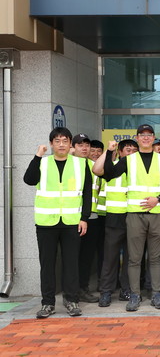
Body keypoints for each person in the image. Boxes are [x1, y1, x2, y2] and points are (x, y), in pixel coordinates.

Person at [101, 124, 160, 312]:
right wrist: (110, 152)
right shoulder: (129, 160)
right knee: (134, 259)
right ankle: (134, 295)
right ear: (137, 138)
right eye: (142, 135)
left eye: (149, 135)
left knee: (156, 257)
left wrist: (158, 199)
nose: (146, 137)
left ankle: (156, 294)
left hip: (157, 214)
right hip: (135, 214)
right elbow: (109, 174)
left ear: (153, 138)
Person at [24, 127, 91, 319]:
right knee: (47, 264)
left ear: (70, 144)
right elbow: (29, 180)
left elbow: (87, 193)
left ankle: (72, 301)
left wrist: (84, 218)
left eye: (65, 141)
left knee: (71, 263)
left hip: (72, 222)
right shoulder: (43, 163)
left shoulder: (80, 164)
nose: (61, 144)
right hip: (46, 222)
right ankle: (47, 303)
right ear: (51, 144)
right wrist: (37, 156)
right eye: (57, 141)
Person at [92, 139, 138, 307]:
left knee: (131, 258)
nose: (131, 153)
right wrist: (108, 150)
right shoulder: (111, 166)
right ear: (120, 152)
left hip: (134, 217)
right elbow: (96, 169)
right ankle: (106, 292)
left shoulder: (139, 169)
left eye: (134, 150)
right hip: (114, 217)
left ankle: (126, 290)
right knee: (110, 257)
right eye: (128, 150)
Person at [72, 133, 103, 304]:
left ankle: (83, 289)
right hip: (71, 218)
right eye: (80, 145)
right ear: (73, 147)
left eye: (87, 145)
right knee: (72, 257)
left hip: (92, 217)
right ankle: (72, 291)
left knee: (87, 257)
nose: (85, 148)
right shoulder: (69, 164)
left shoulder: (93, 167)